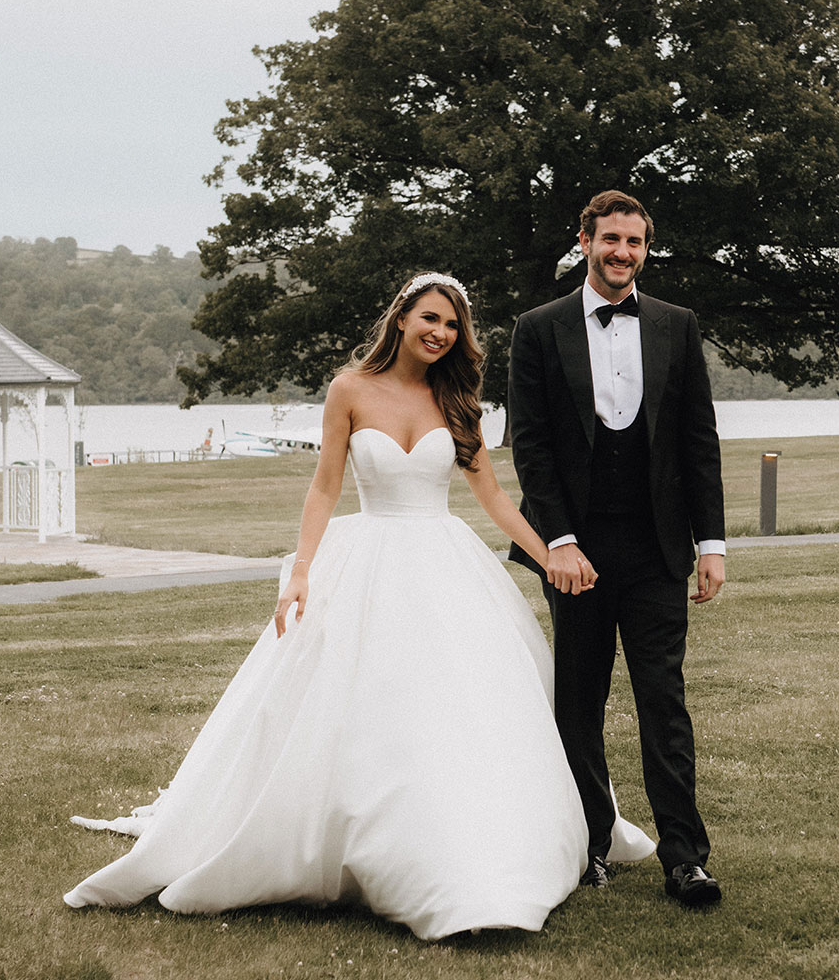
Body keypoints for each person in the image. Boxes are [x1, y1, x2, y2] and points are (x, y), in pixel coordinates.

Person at [65, 274, 654, 939]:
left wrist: (550, 553)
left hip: (444, 563)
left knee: (463, 705)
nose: (441, 334)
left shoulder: (457, 398)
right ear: (401, 316)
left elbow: (491, 495)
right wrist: (301, 571)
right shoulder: (349, 390)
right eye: (431, 319)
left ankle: (471, 848)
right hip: (367, 558)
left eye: (453, 326)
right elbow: (324, 489)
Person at [507, 192, 727, 908]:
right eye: (610, 240)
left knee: (664, 702)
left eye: (634, 242)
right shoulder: (538, 330)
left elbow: (699, 442)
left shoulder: (676, 325)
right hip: (574, 552)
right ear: (585, 241)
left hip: (658, 548)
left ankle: (685, 859)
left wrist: (712, 542)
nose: (622, 253)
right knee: (580, 701)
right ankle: (589, 844)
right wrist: (558, 543)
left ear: (645, 247)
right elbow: (532, 449)